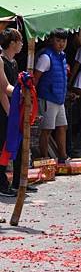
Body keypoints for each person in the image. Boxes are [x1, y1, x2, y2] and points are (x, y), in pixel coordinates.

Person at [34, 29, 69, 164]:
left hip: (59, 99)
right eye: (58, 40)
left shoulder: (62, 56)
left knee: (62, 127)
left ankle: (63, 156)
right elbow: (36, 79)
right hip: (47, 98)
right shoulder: (46, 57)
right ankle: (44, 159)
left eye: (64, 41)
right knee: (46, 130)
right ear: (51, 40)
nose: (61, 44)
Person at [0, 28, 28, 196]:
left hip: (13, 109)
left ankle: (18, 182)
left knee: (19, 144)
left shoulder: (14, 62)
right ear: (12, 43)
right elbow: (3, 88)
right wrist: (21, 92)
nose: (22, 45)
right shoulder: (0, 60)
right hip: (4, 109)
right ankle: (2, 184)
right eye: (20, 41)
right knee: (3, 146)